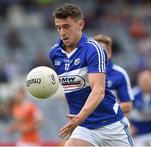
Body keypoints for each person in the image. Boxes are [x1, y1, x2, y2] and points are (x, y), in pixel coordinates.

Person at [49, 3, 134, 146]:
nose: (62, 32)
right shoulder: (55, 53)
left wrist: (79, 117)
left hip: (111, 124)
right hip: (85, 127)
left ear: (80, 24)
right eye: (58, 27)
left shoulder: (94, 50)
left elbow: (99, 91)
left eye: (66, 26)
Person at [93, 34, 134, 114]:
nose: (99, 54)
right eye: (96, 51)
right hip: (89, 123)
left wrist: (105, 110)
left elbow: (128, 105)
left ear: (109, 53)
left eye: (102, 51)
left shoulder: (120, 74)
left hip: (112, 123)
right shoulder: (82, 73)